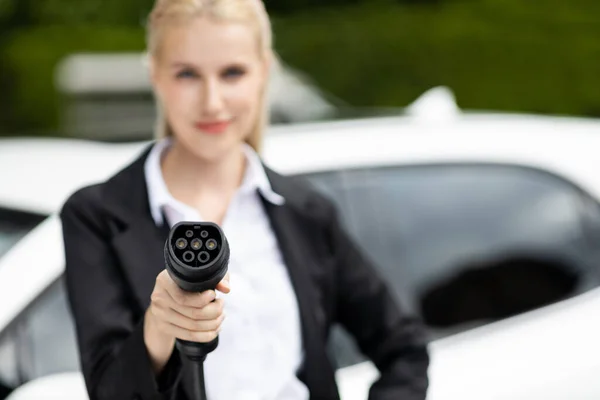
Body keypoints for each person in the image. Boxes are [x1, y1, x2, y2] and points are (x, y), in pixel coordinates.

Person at [59, 0, 430, 399]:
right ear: (155, 76)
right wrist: (160, 326)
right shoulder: (98, 216)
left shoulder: (306, 212)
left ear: (264, 73)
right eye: (187, 74)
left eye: (232, 73)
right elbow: (108, 392)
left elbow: (404, 349)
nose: (212, 101)